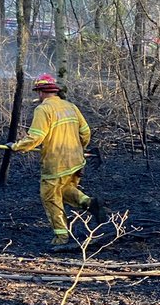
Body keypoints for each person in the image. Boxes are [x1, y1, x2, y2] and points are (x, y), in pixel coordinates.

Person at [6, 74, 105, 248]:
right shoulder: (70, 106)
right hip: (76, 161)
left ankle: (61, 238)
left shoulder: (43, 109)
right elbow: (86, 132)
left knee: (51, 198)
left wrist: (17, 146)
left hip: (56, 164)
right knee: (65, 188)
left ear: (41, 92)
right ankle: (89, 203)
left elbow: (35, 137)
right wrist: (78, 148)